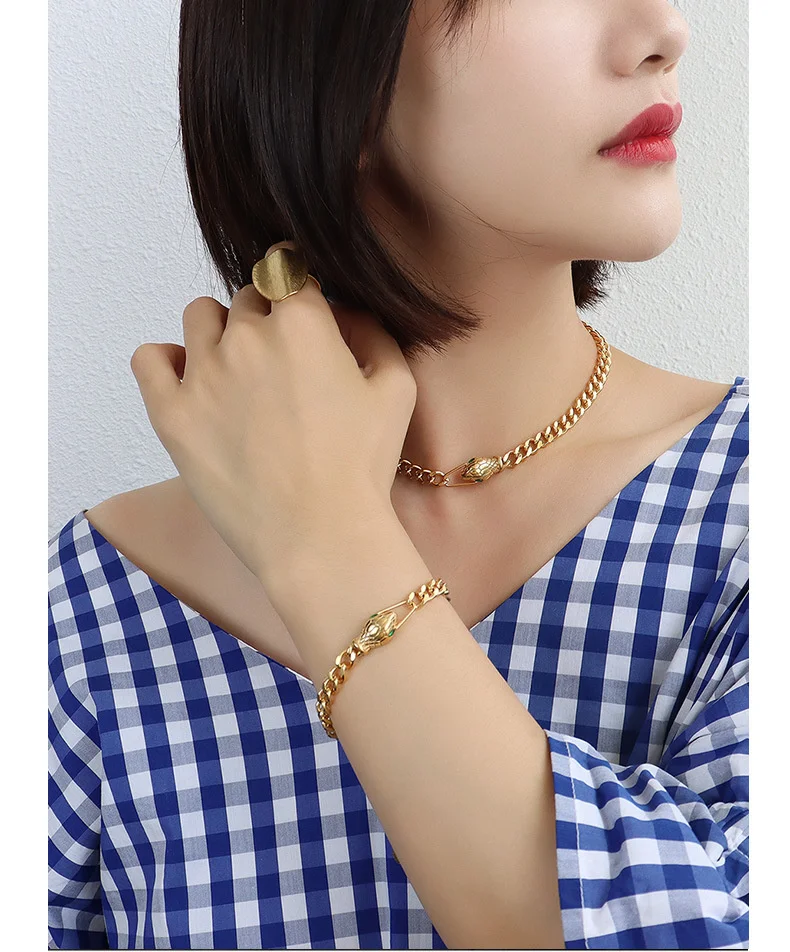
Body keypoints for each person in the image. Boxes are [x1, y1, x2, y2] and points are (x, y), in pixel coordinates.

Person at [48, 1, 748, 948]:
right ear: (325, 59)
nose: (663, 29)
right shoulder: (88, 615)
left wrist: (325, 543)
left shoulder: (750, 511)